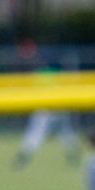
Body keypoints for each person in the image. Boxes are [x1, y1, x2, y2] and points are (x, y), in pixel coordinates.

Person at [11, 38, 80, 170]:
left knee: (39, 133)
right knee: (64, 133)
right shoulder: (36, 64)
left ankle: (22, 159)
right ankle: (75, 156)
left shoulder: (40, 64)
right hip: (53, 105)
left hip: (49, 105)